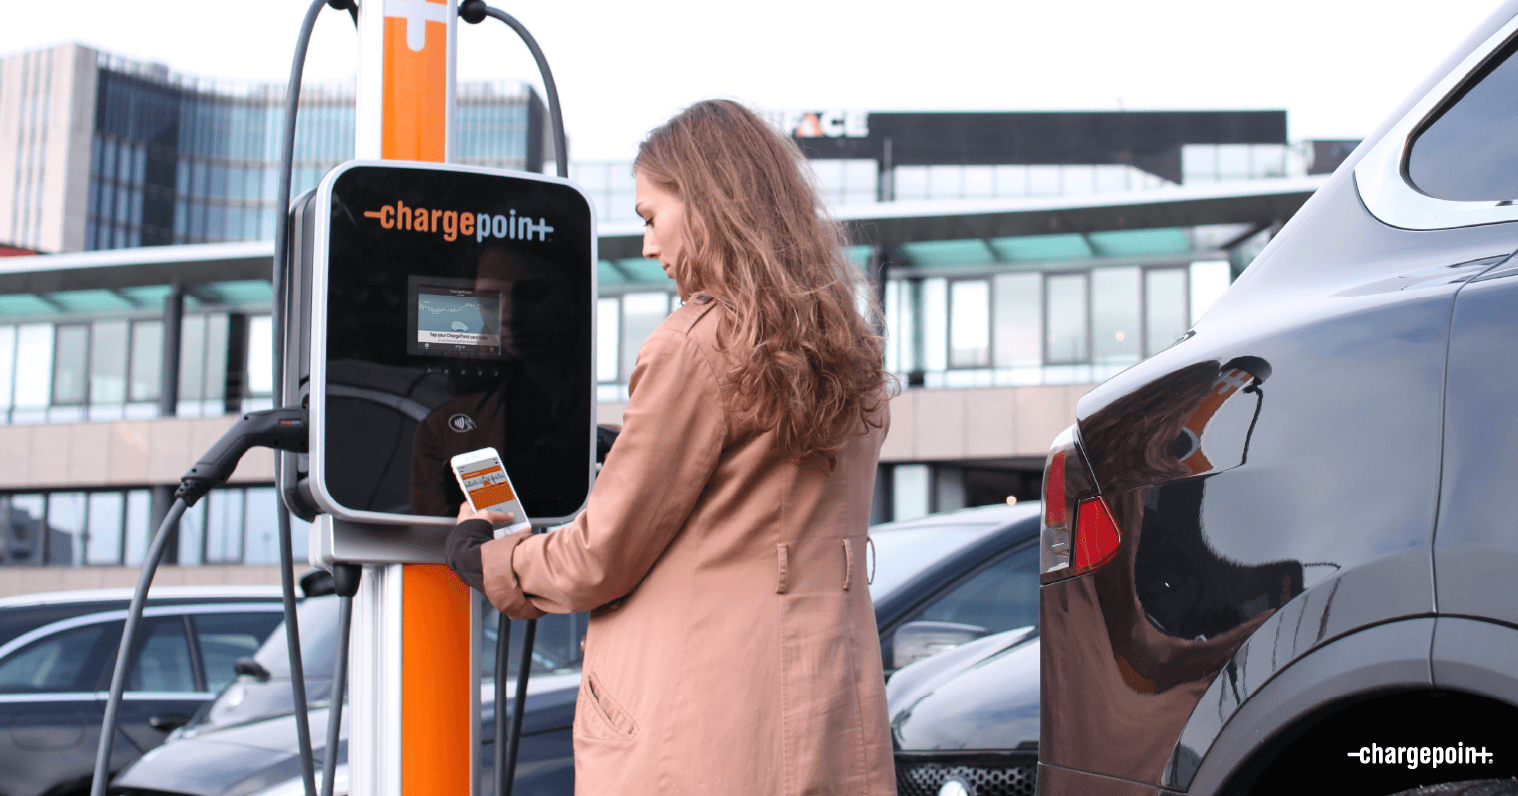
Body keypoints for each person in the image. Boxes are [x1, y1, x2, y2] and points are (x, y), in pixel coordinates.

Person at [443, 99, 897, 795]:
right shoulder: (849, 349)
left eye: (651, 219)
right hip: (829, 710)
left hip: (703, 727)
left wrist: (496, 561)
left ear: (710, 202)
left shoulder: (696, 342)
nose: (649, 246)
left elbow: (602, 555)